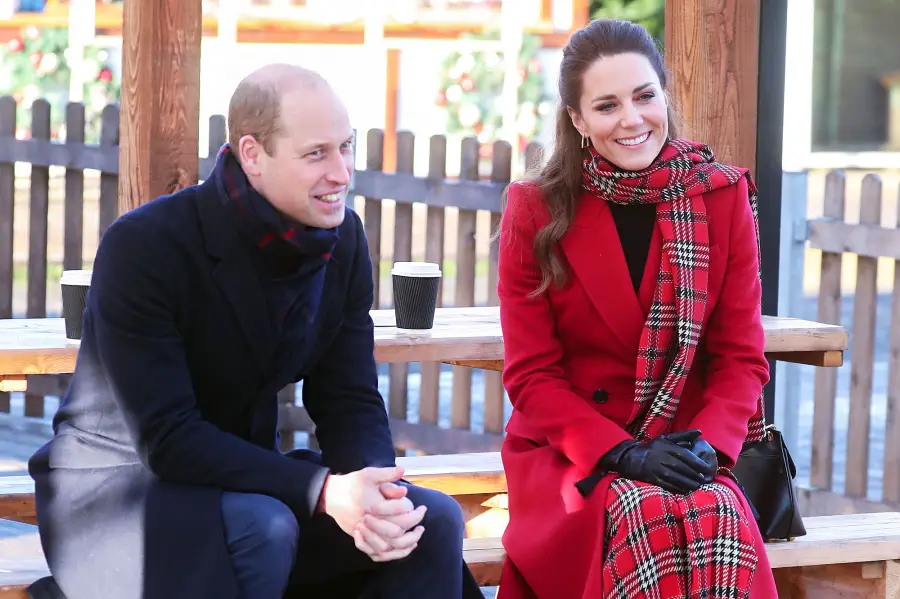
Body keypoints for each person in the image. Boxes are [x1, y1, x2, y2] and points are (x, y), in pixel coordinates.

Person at [27, 64, 483, 599]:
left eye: (346, 147)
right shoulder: (145, 246)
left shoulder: (344, 241)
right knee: (264, 527)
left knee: (429, 524)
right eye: (316, 154)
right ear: (252, 155)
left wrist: (374, 495)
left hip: (246, 481)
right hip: (118, 496)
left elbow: (349, 397)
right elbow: (168, 438)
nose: (341, 172)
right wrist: (322, 491)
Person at [495, 19, 779, 599]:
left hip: (686, 448)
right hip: (572, 456)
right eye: (607, 105)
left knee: (717, 515)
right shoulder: (535, 210)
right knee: (638, 512)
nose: (631, 119)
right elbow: (531, 378)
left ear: (664, 96)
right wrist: (621, 451)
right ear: (577, 120)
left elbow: (741, 359)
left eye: (645, 96)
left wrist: (707, 444)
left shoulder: (721, 197)